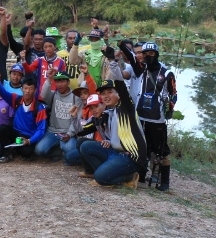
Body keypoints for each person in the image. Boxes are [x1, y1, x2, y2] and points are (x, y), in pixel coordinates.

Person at [78, 48, 147, 189]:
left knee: (101, 178)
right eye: (103, 94)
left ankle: (129, 177)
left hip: (130, 156)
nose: (106, 96)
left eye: (110, 92)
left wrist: (112, 61)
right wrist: (108, 141)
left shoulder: (126, 106)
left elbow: (120, 84)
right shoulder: (110, 111)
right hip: (115, 152)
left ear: (119, 94)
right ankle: (102, 172)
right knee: (85, 145)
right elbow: (83, 130)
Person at [119, 41, 177, 191]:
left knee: (161, 151)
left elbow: (174, 94)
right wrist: (121, 46)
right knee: (140, 147)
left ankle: (165, 182)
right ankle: (141, 175)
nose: (147, 56)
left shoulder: (167, 72)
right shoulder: (140, 69)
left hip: (157, 118)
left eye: (151, 54)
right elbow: (131, 58)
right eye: (145, 54)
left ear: (156, 54)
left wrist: (169, 107)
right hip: (140, 117)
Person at [0, 74, 48, 163]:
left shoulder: (39, 108)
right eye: (25, 88)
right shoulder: (16, 100)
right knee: (2, 128)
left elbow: (41, 129)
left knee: (26, 153)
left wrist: (29, 141)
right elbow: (3, 93)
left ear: (35, 90)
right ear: (21, 89)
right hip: (16, 133)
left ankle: (16, 148)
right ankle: (7, 154)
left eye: (30, 89)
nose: (27, 91)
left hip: (28, 136)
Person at [36, 70, 79, 162]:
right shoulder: (53, 95)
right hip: (53, 132)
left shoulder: (76, 97)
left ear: (68, 82)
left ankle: (61, 148)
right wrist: (49, 79)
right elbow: (43, 95)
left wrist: (69, 134)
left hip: (67, 133)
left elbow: (77, 119)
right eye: (57, 81)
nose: (59, 84)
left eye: (62, 81)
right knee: (39, 150)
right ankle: (58, 150)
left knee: (71, 152)